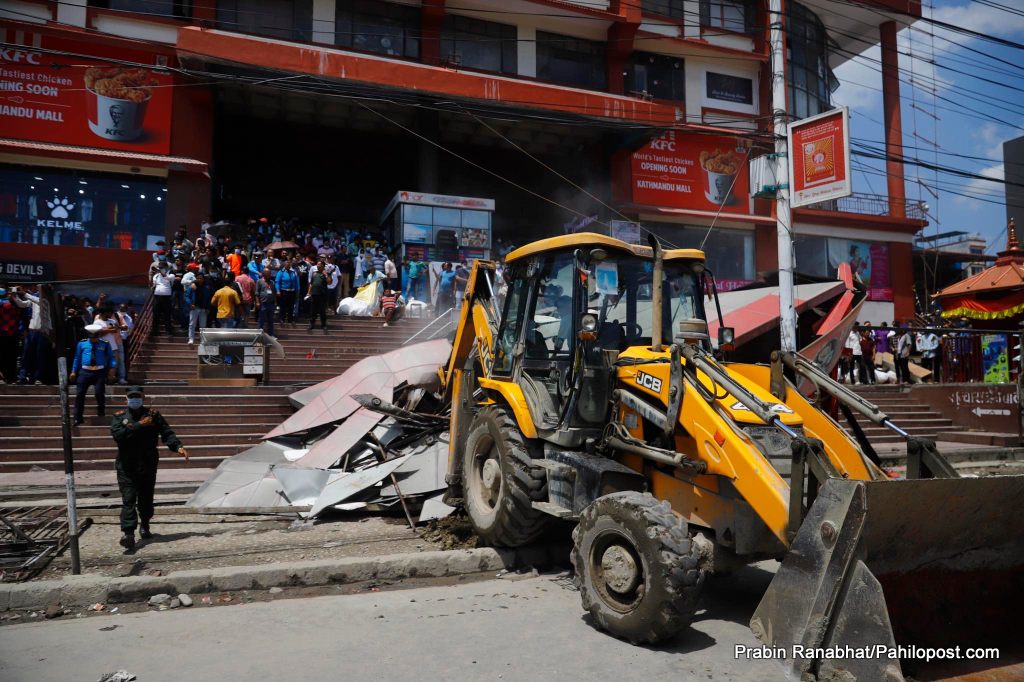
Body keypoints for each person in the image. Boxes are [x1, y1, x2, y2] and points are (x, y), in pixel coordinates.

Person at [110, 386, 188, 550]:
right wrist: (139, 425)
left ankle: (145, 525)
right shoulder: (119, 417)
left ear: (143, 398)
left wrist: (177, 446)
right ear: (126, 399)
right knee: (128, 500)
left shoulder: (153, 415)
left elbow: (166, 432)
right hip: (127, 465)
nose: (134, 399)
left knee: (146, 499)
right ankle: (128, 534)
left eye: (137, 397)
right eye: (131, 397)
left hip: (147, 464)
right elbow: (119, 436)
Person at [70, 323, 116, 426]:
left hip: (99, 371)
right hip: (85, 371)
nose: (93, 340)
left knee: (99, 392)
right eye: (91, 337)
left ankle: (101, 408)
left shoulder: (105, 344)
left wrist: (111, 368)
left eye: (95, 337)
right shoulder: (82, 344)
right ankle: (77, 417)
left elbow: (111, 357)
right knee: (80, 394)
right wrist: (73, 371)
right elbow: (77, 358)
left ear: (99, 335)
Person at [12, 285, 54, 385]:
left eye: (40, 288)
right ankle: (22, 377)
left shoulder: (47, 300)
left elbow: (37, 300)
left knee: (40, 356)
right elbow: (22, 304)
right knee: (26, 355)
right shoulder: (34, 298)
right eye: (38, 288)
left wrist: (25, 294)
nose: (38, 289)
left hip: (42, 332)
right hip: (31, 331)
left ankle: (37, 378)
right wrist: (14, 296)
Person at [185, 272, 212, 345]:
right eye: (198, 278)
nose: (199, 279)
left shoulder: (207, 287)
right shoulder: (192, 286)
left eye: (201, 278)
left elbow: (209, 298)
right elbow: (187, 296)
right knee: (192, 324)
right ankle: (191, 339)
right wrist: (190, 304)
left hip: (203, 309)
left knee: (203, 326)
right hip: (194, 308)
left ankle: (202, 340)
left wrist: (208, 308)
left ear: (203, 279)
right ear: (196, 279)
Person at [0, 288, 20, 384]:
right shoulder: (16, 306)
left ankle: (3, 377)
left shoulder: (2, 305)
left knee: (3, 357)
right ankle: (12, 378)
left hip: (3, 334)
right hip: (13, 334)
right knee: (12, 357)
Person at [307, 260, 332, 333]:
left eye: (319, 265)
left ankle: (324, 325)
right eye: (317, 264)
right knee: (313, 311)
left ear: (323, 266)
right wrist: (308, 293)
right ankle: (312, 324)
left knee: (322, 311)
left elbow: (329, 282)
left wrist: (326, 275)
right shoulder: (314, 274)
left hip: (322, 295)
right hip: (314, 295)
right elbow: (311, 284)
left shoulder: (326, 273)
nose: (317, 266)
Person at [151, 264, 176, 336]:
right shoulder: (156, 276)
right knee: (156, 314)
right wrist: (153, 286)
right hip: (157, 296)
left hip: (167, 297)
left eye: (162, 267)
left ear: (166, 268)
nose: (159, 269)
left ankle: (168, 332)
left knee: (167, 315)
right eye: (160, 268)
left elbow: (166, 277)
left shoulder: (171, 275)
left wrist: (161, 271)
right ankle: (155, 331)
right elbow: (154, 284)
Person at [275, 259, 299, 326]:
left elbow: (296, 283)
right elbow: (277, 282)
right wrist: (278, 291)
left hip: (292, 291)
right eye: (287, 263)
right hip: (284, 291)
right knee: (283, 306)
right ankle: (282, 319)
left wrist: (297, 291)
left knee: (291, 307)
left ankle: (290, 320)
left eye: (289, 263)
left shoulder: (293, 272)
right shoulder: (281, 272)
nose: (288, 264)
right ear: (284, 264)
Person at [256, 269, 277, 336]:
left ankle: (271, 335)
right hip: (263, 303)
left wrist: (275, 302)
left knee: (271, 320)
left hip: (271, 304)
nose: (269, 275)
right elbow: (256, 293)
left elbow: (274, 293)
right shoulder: (259, 281)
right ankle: (259, 334)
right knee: (261, 320)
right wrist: (257, 302)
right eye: (267, 273)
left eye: (269, 273)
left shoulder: (272, 282)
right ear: (263, 274)